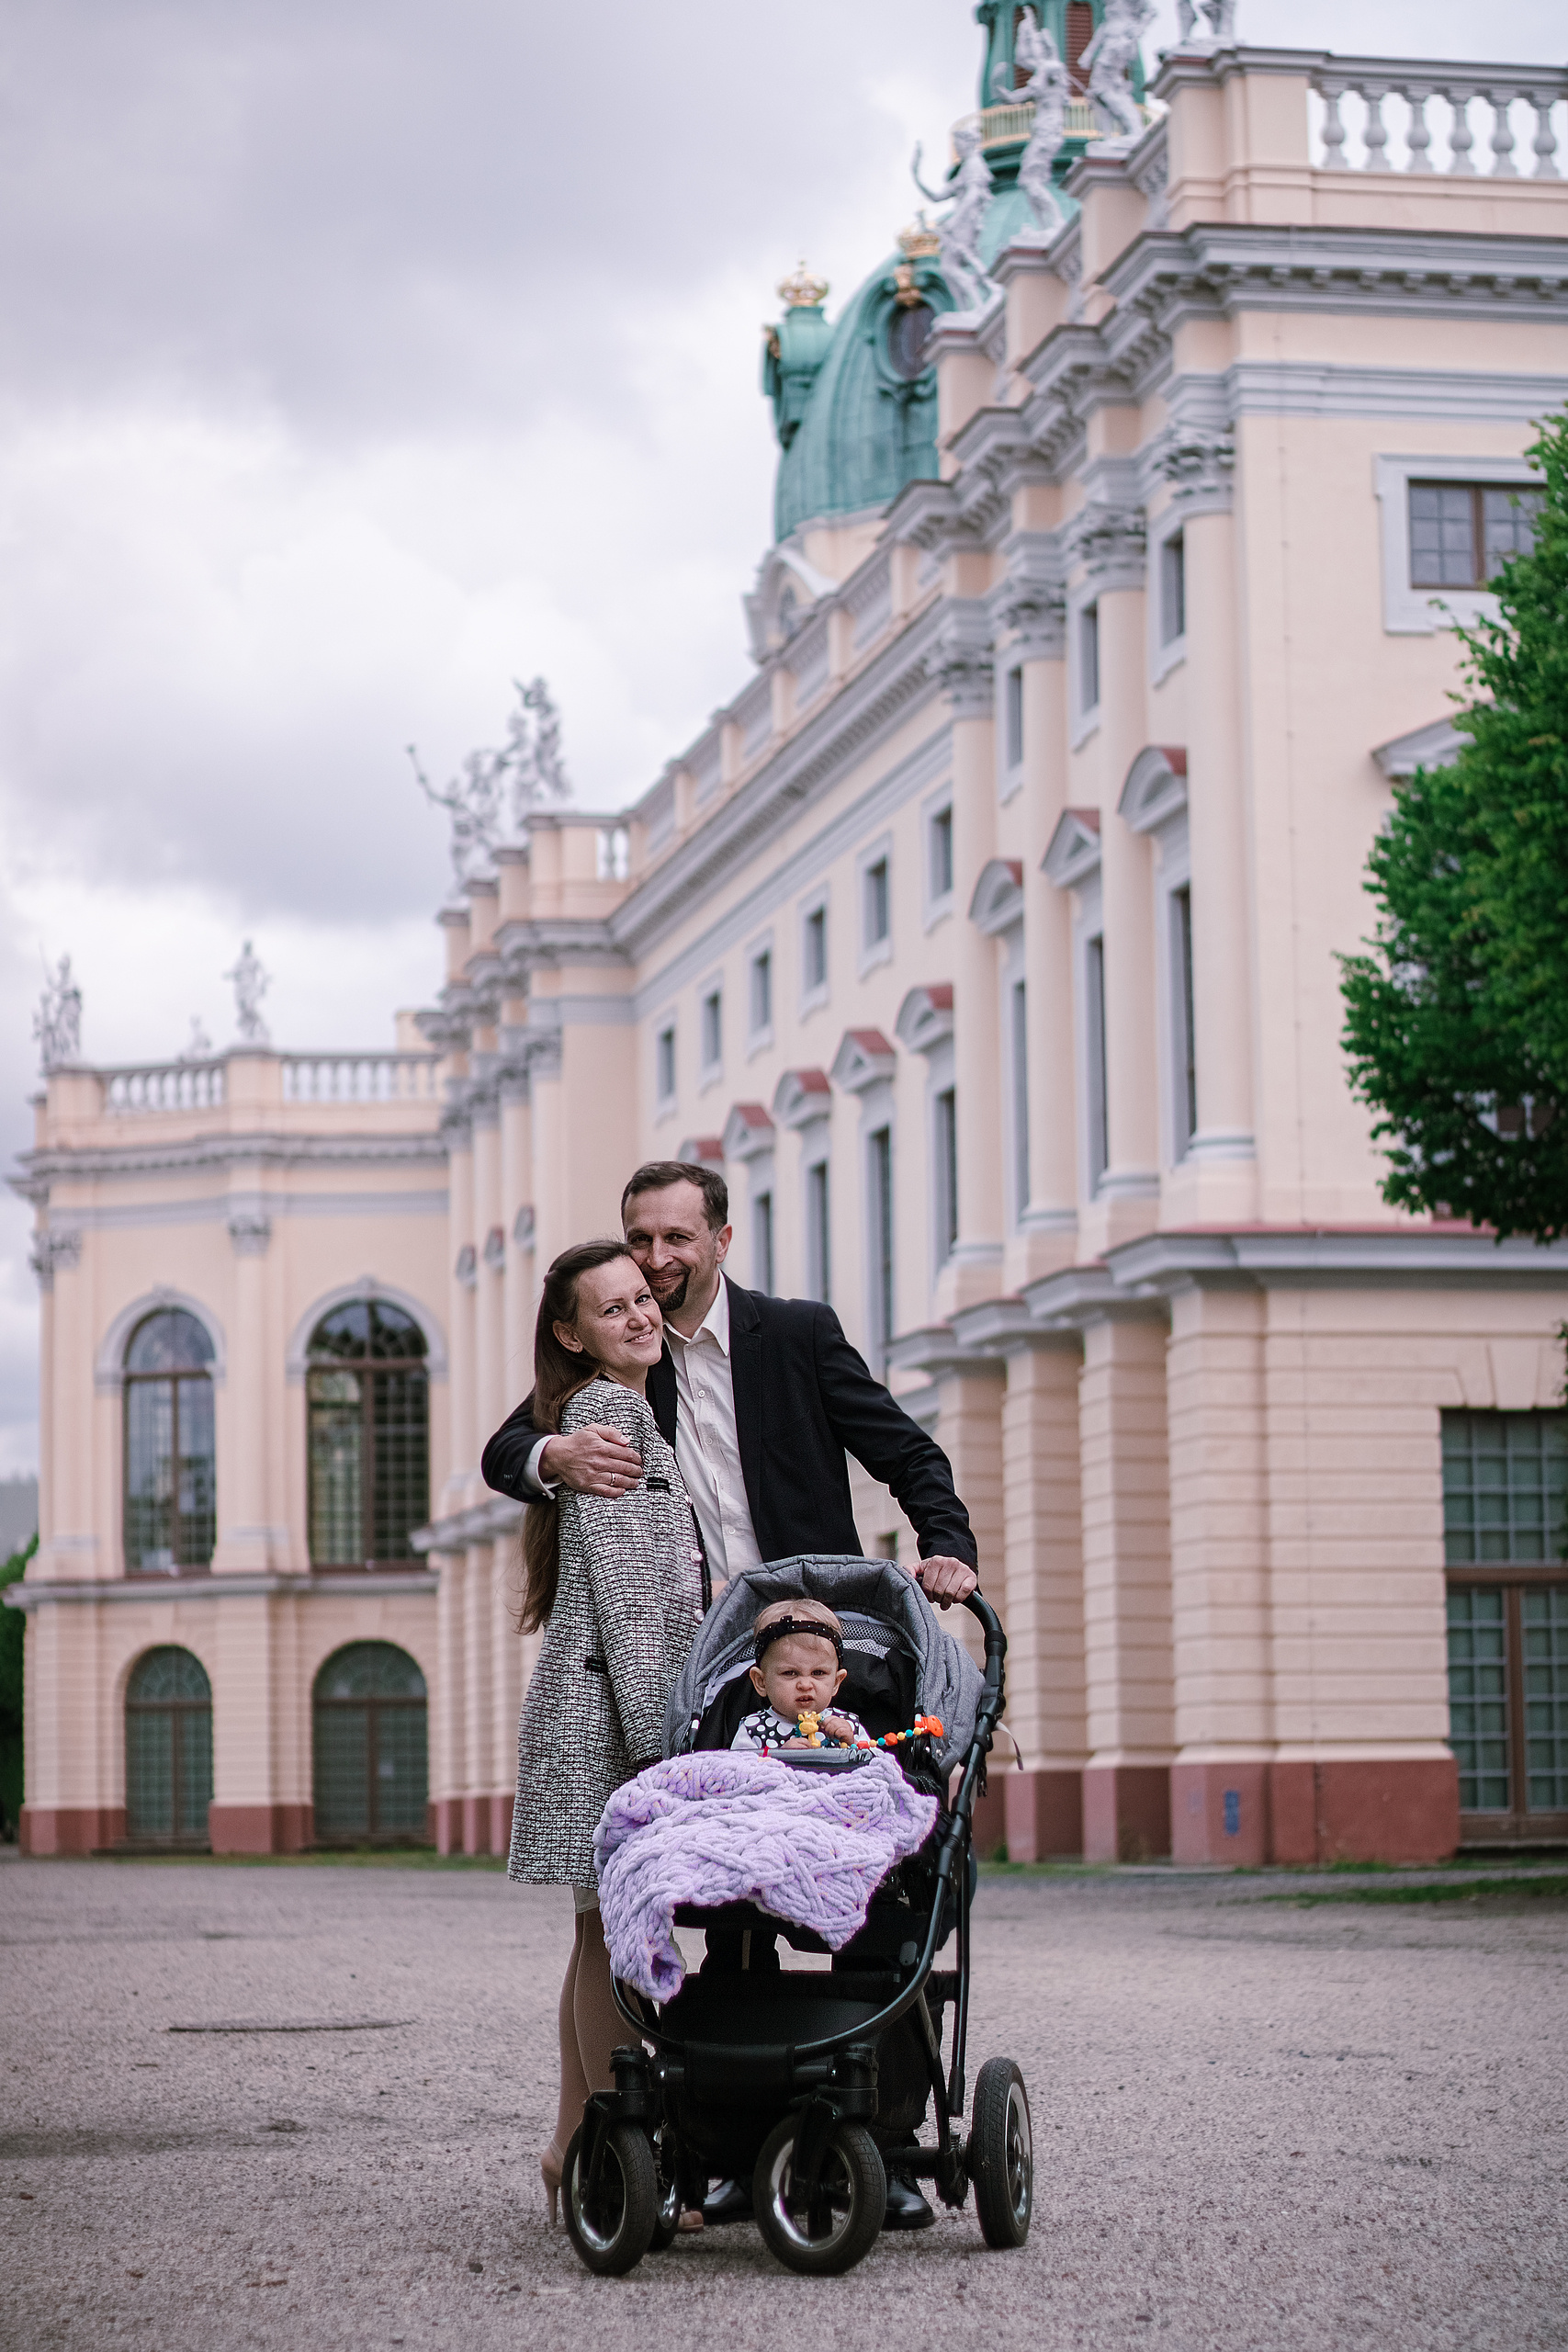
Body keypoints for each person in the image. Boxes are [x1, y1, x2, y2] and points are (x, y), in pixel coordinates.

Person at [484, 1161, 981, 2230]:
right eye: (638, 1240)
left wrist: (944, 1549)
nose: (656, 1262)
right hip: (698, 1676)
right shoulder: (626, 1365)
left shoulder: (795, 1336)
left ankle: (876, 2133)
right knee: (727, 1910)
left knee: (866, 1883)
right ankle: (724, 2143)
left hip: (817, 1648)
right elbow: (506, 1445)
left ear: (718, 1237)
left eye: (674, 1238)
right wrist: (553, 1452)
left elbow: (905, 1450)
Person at [505, 1238, 706, 2231]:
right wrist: (665, 1750)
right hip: (612, 1716)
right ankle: (613, 2160)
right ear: (570, 1333)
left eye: (642, 1301)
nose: (636, 1316)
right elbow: (633, 1607)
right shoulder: (609, 1414)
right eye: (612, 1307)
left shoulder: (612, 1410)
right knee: (618, 1937)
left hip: (596, 1705)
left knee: (601, 1932)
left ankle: (573, 2146)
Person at [732, 1599, 867, 1752]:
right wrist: (779, 1758)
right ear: (761, 1682)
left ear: (836, 1682)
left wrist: (852, 1743)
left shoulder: (848, 1725)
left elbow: (879, 1768)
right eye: (790, 1673)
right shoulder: (753, 1730)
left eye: (818, 1673)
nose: (805, 1685)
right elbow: (738, 1772)